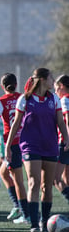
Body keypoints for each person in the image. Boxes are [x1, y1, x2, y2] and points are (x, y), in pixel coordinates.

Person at [6, 68, 69, 232]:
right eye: (51, 78)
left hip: (50, 146)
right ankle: (34, 224)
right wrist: (7, 146)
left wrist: (66, 139)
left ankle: (44, 221)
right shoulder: (25, 99)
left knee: (46, 187)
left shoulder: (54, 99)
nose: (53, 81)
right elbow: (16, 124)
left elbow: (61, 123)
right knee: (33, 183)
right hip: (30, 145)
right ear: (42, 79)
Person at [0, 73, 29, 223]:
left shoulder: (0, 101)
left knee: (19, 181)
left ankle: (27, 214)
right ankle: (18, 206)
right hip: (27, 142)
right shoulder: (23, 98)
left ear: (2, 86)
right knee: (4, 173)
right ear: (16, 84)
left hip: (13, 145)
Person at [53, 75, 69, 204]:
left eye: (56, 88)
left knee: (55, 178)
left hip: (64, 142)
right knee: (66, 178)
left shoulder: (64, 100)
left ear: (62, 86)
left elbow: (67, 122)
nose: (55, 92)